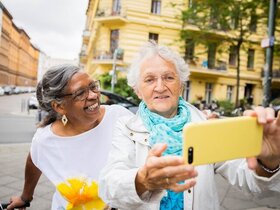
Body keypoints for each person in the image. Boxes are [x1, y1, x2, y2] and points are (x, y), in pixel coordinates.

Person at [99, 41, 280, 210]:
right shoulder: (126, 128)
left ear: (181, 85)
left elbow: (251, 183)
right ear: (137, 90)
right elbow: (109, 187)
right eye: (149, 79)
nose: (160, 87)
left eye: (169, 77)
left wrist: (268, 161)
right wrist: (142, 180)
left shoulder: (206, 125)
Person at [7, 64, 133, 210]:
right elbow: (34, 161)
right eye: (80, 93)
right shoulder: (45, 140)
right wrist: (25, 197)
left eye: (93, 86)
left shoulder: (119, 116)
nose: (93, 95)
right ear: (60, 107)